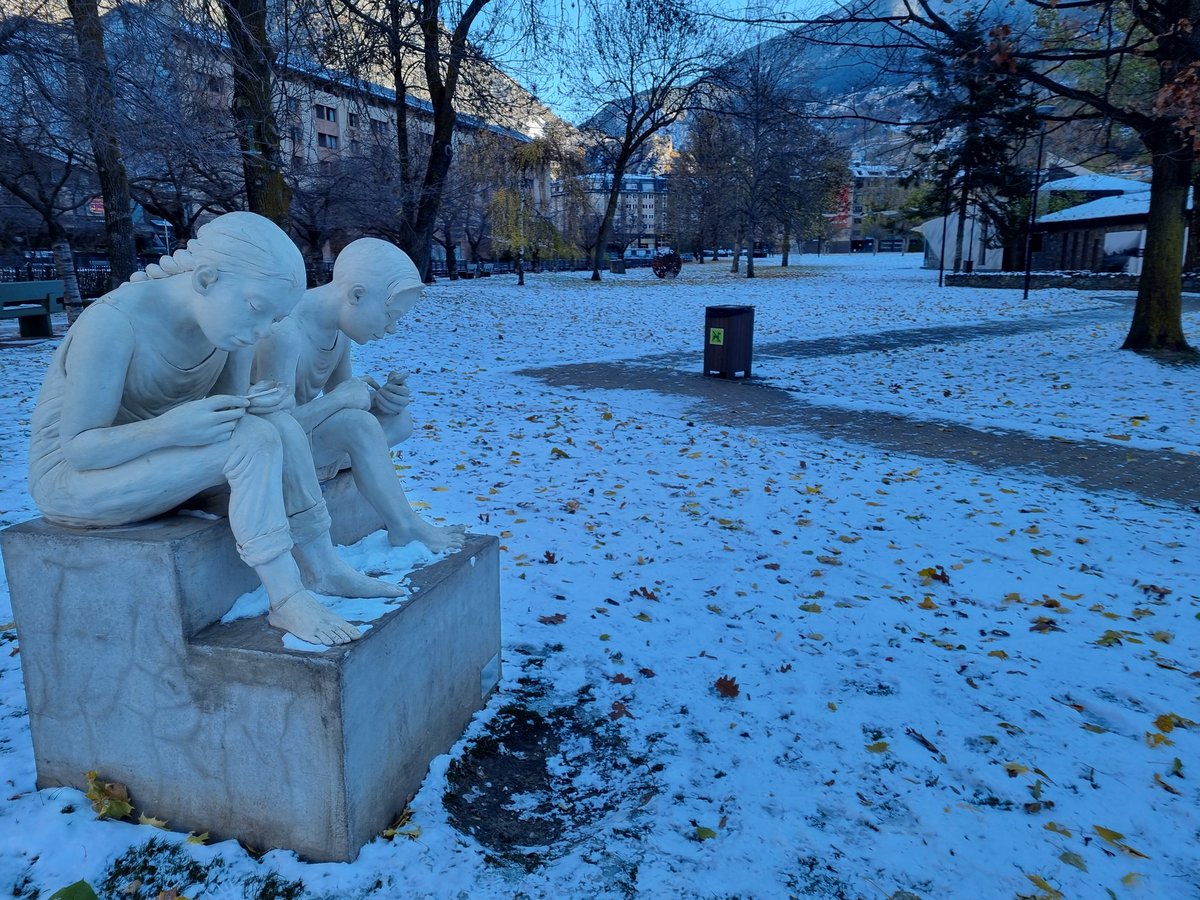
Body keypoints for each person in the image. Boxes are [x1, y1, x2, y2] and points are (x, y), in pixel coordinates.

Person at [27, 212, 399, 646]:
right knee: (254, 438)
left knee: (275, 424)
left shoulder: (228, 329)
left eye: (274, 320)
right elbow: (80, 449)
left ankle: (324, 566)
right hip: (79, 479)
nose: (261, 332)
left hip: (169, 461)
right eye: (258, 310)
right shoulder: (112, 322)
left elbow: (230, 410)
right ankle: (287, 596)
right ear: (206, 279)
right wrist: (168, 429)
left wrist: (254, 402)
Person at [253, 237, 466, 553]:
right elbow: (269, 428)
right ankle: (404, 525)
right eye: (390, 315)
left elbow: (347, 402)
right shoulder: (285, 331)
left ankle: (340, 465)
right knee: (358, 427)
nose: (392, 328)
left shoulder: (339, 332)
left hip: (307, 441)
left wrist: (379, 401)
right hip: (273, 453)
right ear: (357, 295)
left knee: (398, 420)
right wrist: (342, 400)